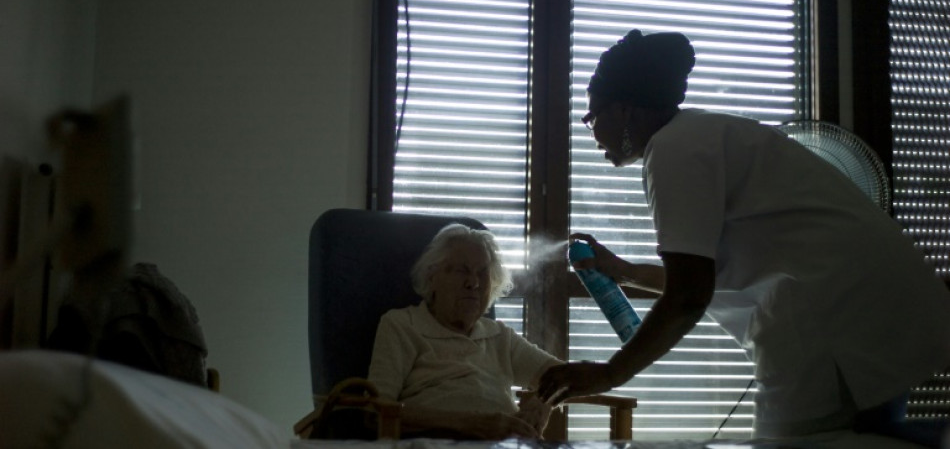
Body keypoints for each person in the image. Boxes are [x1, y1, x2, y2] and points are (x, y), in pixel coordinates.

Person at [536, 29, 950, 447]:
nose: (591, 131)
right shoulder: (699, 134)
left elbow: (688, 296)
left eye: (592, 117)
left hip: (834, 316)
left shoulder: (673, 150)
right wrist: (621, 272)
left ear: (624, 110)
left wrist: (610, 373)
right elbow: (702, 278)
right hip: (867, 307)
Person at [367, 223, 562, 440]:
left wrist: (544, 401)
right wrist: (469, 424)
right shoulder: (402, 325)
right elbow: (376, 412)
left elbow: (564, 377)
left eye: (482, 273)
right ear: (432, 278)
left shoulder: (499, 336)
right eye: (461, 270)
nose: (473, 283)